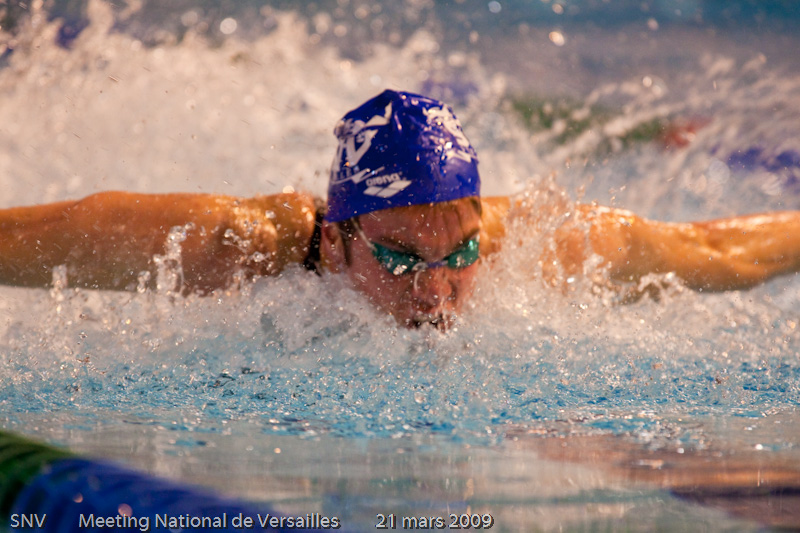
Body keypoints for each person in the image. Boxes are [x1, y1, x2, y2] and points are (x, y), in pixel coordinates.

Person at [2, 89, 800, 329]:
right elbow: (37, 238)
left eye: (459, 255)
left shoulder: (543, 244)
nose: (435, 291)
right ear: (335, 240)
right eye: (398, 258)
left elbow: (719, 251)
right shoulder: (236, 246)